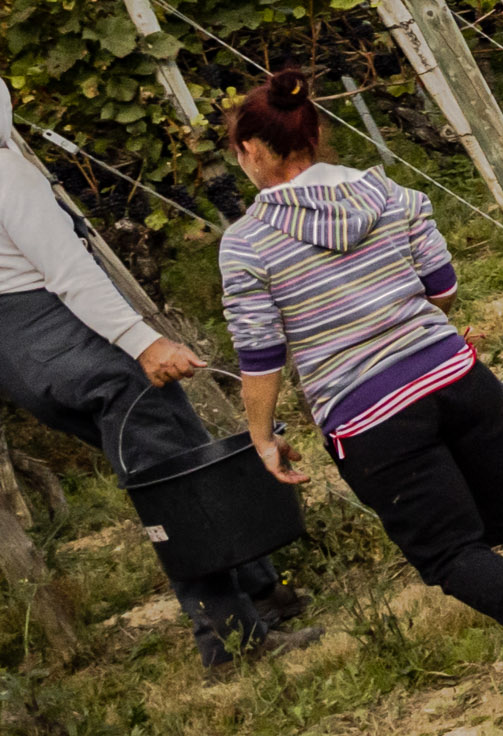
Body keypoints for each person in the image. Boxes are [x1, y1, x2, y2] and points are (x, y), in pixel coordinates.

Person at [215, 74, 503, 698]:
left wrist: (263, 436)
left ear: (255, 152)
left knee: (449, 552)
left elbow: (260, 354)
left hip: (369, 414)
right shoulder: (389, 193)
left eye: (239, 153)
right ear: (315, 135)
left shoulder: (247, 245)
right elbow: (442, 287)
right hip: (455, 373)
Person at [0, 77, 289, 669]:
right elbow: (67, 272)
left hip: (19, 356)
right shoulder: (7, 175)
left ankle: (263, 588)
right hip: (61, 333)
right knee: (171, 480)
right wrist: (144, 342)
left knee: (165, 452)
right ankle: (230, 641)